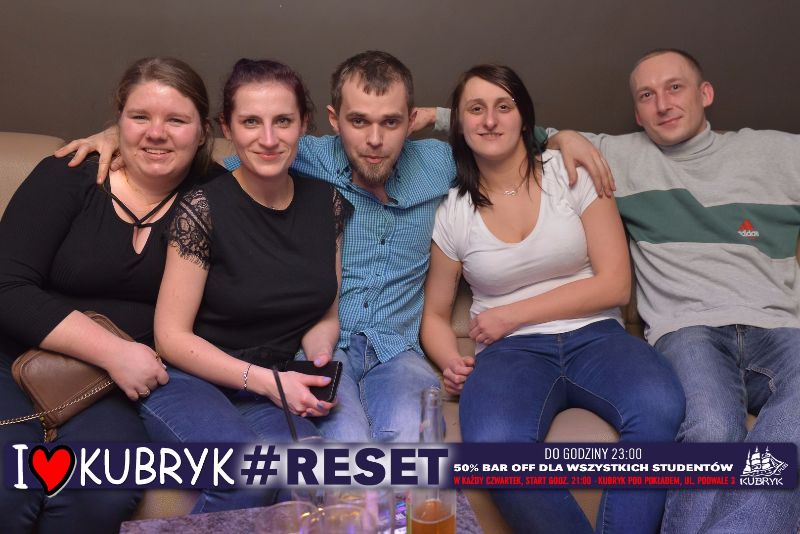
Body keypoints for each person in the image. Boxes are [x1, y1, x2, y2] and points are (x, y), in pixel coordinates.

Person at [57, 50, 610, 443]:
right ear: (329, 121)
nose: (374, 140)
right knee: (340, 453)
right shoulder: (300, 152)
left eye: (391, 122)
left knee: (409, 444)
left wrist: (560, 136)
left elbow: (497, 131)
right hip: (324, 346)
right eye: (359, 122)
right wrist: (120, 138)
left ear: (410, 121)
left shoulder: (440, 161)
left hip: (399, 350)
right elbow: (205, 162)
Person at [420, 64, 685, 533]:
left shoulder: (572, 172)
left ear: (524, 117)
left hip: (597, 336)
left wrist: (511, 314)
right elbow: (436, 315)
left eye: (503, 107)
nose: (490, 120)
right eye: (476, 109)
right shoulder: (453, 211)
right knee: (495, 449)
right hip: (509, 354)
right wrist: (450, 360)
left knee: (660, 407)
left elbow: (615, 284)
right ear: (459, 124)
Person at [549, 48, 800, 534]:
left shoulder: (779, 154)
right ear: (637, 112)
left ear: (705, 94)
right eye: (647, 96)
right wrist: (562, 136)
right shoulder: (619, 158)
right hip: (689, 328)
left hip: (780, 329)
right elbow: (507, 129)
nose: (662, 104)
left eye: (675, 88)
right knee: (712, 431)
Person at [0, 57, 216, 534]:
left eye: (176, 120)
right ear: (118, 120)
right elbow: (6, 286)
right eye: (140, 117)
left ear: (204, 132)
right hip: (13, 363)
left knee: (100, 491)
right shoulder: (69, 174)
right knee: (6, 489)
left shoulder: (217, 197)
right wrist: (115, 351)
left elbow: (275, 151)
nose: (156, 133)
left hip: (111, 389)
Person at [139, 58, 350, 513]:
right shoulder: (203, 208)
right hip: (190, 381)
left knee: (308, 479)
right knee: (243, 477)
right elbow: (170, 337)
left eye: (283, 121)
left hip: (272, 382)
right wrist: (269, 383)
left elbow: (326, 312)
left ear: (304, 124)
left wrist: (317, 362)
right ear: (227, 128)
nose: (268, 139)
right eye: (251, 121)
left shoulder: (327, 203)